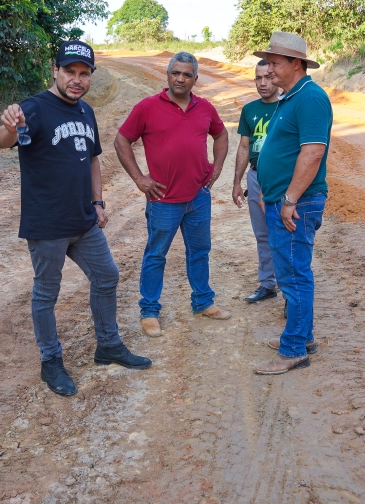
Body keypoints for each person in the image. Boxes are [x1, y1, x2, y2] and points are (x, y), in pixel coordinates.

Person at [0, 40, 151, 397]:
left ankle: (108, 346)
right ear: (56, 70)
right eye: (70, 72)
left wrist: (98, 202)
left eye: (84, 73)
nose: (77, 80)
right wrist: (7, 124)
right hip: (47, 224)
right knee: (47, 293)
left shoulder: (85, 112)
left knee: (107, 276)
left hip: (82, 220)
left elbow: (94, 158)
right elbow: (3, 141)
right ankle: (51, 362)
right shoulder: (34, 108)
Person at [114, 52, 231, 337]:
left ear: (195, 79)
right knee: (156, 255)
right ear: (167, 75)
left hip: (198, 197)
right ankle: (150, 312)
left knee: (200, 252)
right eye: (175, 73)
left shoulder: (205, 108)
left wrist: (216, 169)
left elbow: (222, 135)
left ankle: (203, 302)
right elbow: (122, 140)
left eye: (187, 74)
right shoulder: (147, 107)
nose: (180, 78)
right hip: (163, 200)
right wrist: (139, 178)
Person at [251, 31, 333, 375]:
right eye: (267, 61)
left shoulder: (311, 98)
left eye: (274, 62)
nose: (268, 69)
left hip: (297, 204)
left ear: (295, 64)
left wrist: (287, 200)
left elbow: (313, 152)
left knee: (294, 276)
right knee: (292, 271)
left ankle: (294, 349)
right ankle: (304, 336)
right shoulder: (291, 97)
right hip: (281, 201)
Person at [232, 59, 281, 303]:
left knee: (284, 234)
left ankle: (291, 294)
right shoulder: (249, 110)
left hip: (281, 179)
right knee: (262, 234)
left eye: (268, 77)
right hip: (255, 176)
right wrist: (237, 182)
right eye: (258, 78)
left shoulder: (287, 106)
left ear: (277, 77)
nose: (263, 83)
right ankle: (268, 284)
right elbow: (243, 147)